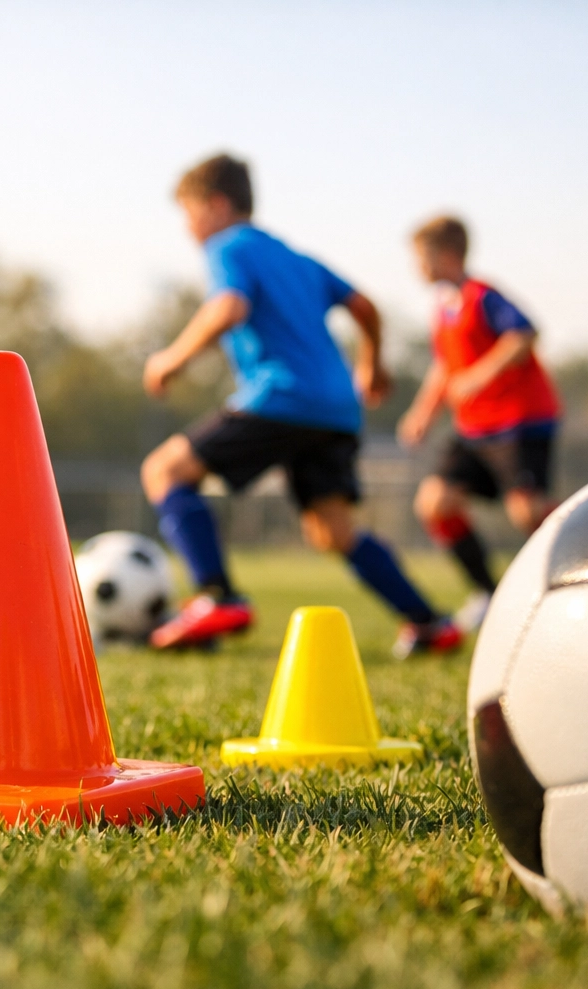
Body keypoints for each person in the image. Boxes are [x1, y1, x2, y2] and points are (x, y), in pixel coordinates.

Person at [141, 154, 460, 658]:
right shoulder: (295, 258)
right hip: (336, 410)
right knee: (333, 532)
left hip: (282, 398)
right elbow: (366, 307)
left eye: (189, 212)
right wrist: (372, 366)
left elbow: (229, 307)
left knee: (164, 471)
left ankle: (217, 597)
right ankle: (429, 622)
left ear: (218, 206)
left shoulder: (230, 245)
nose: (188, 228)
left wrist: (171, 359)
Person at [398, 215, 560, 632]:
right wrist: (422, 414)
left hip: (519, 423)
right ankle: (489, 593)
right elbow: (443, 368)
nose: (418, 268)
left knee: (527, 512)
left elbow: (523, 336)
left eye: (422, 258)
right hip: (474, 430)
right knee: (434, 504)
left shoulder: (482, 296)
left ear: (447, 255)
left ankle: (582, 563)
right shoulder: (443, 308)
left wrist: (479, 376)